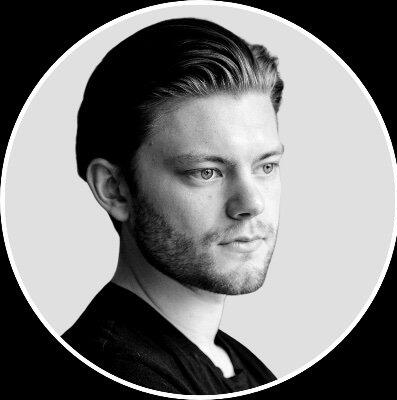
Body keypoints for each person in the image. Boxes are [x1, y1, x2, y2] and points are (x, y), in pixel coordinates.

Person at [62, 17, 284, 395]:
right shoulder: (122, 372)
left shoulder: (227, 358)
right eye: (206, 172)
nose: (251, 204)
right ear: (115, 190)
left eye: (265, 166)